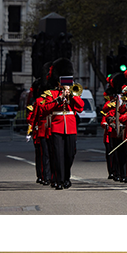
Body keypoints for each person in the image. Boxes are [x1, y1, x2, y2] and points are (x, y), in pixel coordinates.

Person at [38, 58, 85, 190]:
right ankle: (58, 180)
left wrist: (72, 96)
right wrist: (59, 99)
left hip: (70, 127)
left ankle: (66, 177)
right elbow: (45, 109)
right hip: (57, 127)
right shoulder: (51, 94)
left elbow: (81, 107)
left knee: (70, 155)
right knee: (57, 155)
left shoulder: (74, 94)